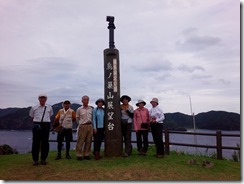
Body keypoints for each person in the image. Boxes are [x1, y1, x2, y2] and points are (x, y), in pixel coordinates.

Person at [29, 94, 53, 165]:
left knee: (45, 142)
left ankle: (43, 159)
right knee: (36, 142)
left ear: (46, 99)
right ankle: (35, 159)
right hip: (37, 124)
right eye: (41, 98)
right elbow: (31, 116)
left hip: (46, 125)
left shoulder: (49, 107)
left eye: (44, 98)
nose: (42, 99)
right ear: (38, 99)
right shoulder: (34, 107)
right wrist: (36, 123)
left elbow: (50, 115)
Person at [75, 95, 93, 160]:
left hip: (90, 125)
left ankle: (86, 154)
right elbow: (77, 118)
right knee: (80, 140)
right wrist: (80, 124)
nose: (86, 101)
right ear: (82, 100)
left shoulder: (90, 108)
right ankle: (79, 155)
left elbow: (92, 117)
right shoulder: (79, 109)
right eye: (84, 100)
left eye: (87, 100)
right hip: (82, 125)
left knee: (89, 141)